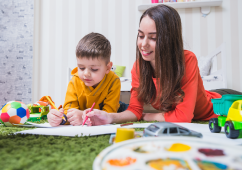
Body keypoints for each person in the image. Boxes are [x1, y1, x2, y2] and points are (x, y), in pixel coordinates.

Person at [82, 4, 240, 126]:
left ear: (169, 39)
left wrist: (149, 116)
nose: (143, 44)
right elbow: (135, 111)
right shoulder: (138, 68)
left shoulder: (187, 60)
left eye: (153, 38)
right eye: (141, 35)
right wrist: (109, 117)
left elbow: (183, 118)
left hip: (220, 104)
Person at [47, 32, 124, 126]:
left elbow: (108, 114)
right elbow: (68, 113)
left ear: (108, 68)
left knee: (126, 110)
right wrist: (59, 118)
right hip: (84, 112)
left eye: (94, 69)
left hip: (117, 107)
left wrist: (83, 117)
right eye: (81, 68)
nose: (86, 74)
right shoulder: (74, 81)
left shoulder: (114, 81)